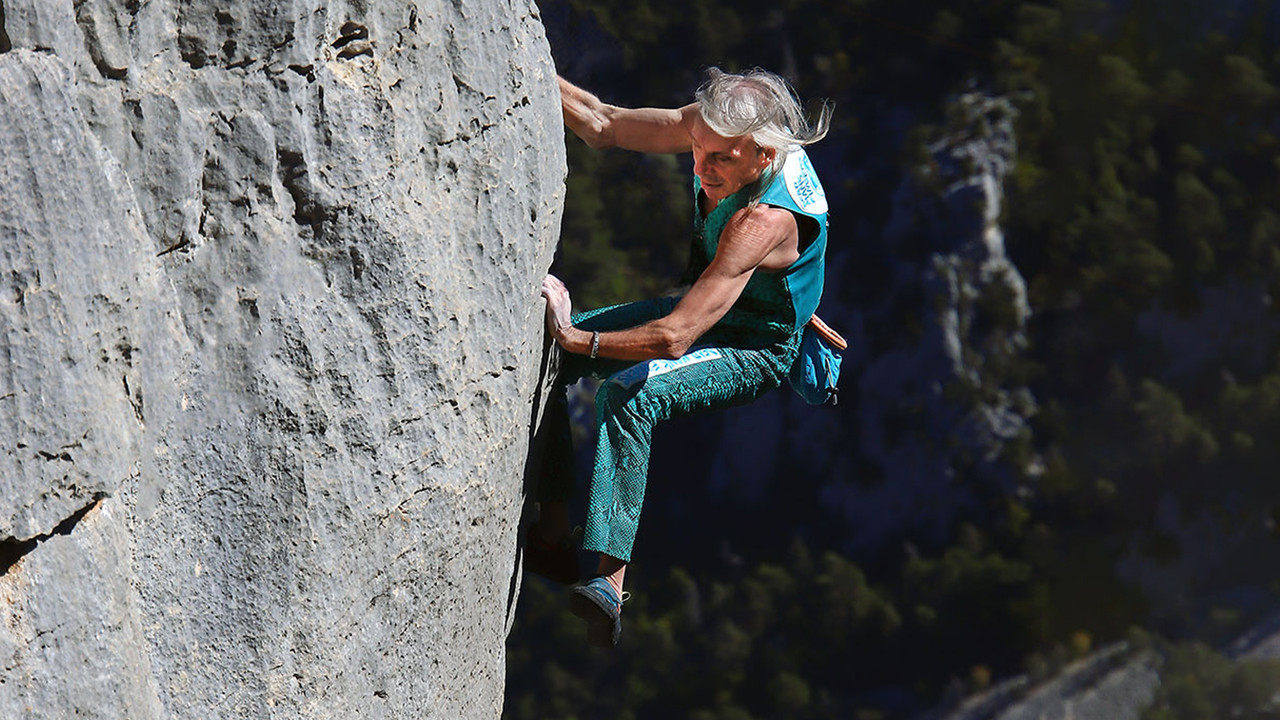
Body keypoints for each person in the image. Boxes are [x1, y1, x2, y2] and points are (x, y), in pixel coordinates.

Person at [530, 67, 833, 648]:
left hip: (754, 345)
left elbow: (674, 337)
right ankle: (549, 534)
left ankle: (607, 585)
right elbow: (605, 124)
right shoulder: (718, 127)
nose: (700, 167)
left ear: (764, 153)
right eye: (697, 150)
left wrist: (578, 337)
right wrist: (529, 61)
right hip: (711, 301)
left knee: (629, 393)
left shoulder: (760, 222)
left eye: (719, 159)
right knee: (553, 361)